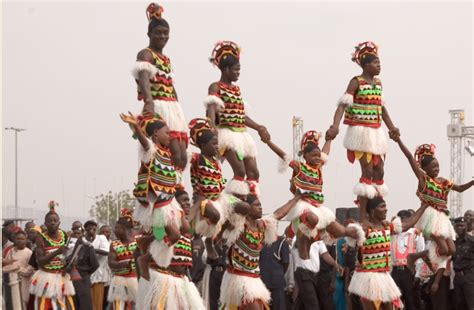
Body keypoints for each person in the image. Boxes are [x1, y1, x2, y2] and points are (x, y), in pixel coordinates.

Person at [265, 131, 363, 259]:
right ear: (305, 156)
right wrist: (268, 142)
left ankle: (360, 236)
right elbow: (284, 155)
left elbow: (325, 153)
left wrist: (329, 140)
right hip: (303, 206)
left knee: (340, 231)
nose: (317, 158)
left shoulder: (318, 168)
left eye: (318, 155)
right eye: (314, 155)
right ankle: (301, 243)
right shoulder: (300, 167)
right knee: (313, 219)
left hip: (318, 208)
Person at [326, 41, 400, 198]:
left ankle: (377, 206)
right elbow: (342, 105)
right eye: (375, 63)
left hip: (376, 131)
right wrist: (335, 126)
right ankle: (364, 211)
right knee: (367, 170)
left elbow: (382, 108)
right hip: (360, 131)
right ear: (366, 66)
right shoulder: (356, 82)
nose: (379, 66)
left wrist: (392, 127)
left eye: (379, 62)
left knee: (379, 170)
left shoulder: (379, 84)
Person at [391, 138, 474, 270]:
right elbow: (409, 157)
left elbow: (460, 189)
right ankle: (415, 257)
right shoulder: (423, 179)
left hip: (443, 218)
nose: (437, 169)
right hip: (430, 217)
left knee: (451, 250)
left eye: (438, 166)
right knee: (444, 249)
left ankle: (420, 255)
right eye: (433, 167)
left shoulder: (443, 182)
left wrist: (472, 182)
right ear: (424, 168)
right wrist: (399, 141)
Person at [204, 40, 271, 197]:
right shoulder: (215, 87)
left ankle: (251, 206)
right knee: (240, 171)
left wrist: (259, 127)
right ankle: (234, 207)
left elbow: (241, 116)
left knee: (253, 173)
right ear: (226, 69)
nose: (238, 73)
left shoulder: (236, 89)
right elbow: (211, 111)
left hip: (242, 135)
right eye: (236, 70)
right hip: (226, 134)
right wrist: (212, 129)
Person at [120, 111, 182, 268]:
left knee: (186, 227)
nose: (170, 136)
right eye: (166, 133)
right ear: (155, 133)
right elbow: (144, 141)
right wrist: (136, 127)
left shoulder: (166, 153)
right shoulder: (151, 150)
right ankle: (145, 258)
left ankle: (145, 240)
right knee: (174, 235)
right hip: (158, 204)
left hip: (169, 201)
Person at [132, 2, 188, 174]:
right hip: (157, 106)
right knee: (164, 149)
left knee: (182, 156)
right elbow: (143, 77)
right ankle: (159, 184)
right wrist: (148, 101)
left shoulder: (166, 59)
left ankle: (175, 187)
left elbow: (170, 85)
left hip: (173, 107)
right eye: (158, 33)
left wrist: (178, 108)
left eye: (165, 33)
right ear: (149, 34)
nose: (162, 36)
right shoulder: (146, 54)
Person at [218, 195, 300, 309]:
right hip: (238, 279)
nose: (260, 207)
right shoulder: (238, 225)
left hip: (254, 279)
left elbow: (279, 214)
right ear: (248, 209)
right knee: (254, 306)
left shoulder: (261, 225)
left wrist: (296, 198)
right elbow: (223, 222)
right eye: (256, 205)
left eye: (260, 205)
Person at [348, 197, 427, 310]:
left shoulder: (387, 227)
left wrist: (424, 206)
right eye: (382, 206)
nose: (386, 209)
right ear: (372, 211)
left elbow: (408, 224)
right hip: (368, 278)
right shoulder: (365, 229)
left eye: (385, 206)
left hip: (384, 276)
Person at [136, 199, 205, 309]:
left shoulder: (183, 224)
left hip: (181, 281)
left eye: (188, 199)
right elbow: (172, 235)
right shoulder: (163, 218)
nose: (187, 203)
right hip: (164, 280)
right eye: (183, 199)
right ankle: (144, 259)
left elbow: (187, 228)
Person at [188, 118, 249, 238]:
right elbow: (182, 155)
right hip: (203, 199)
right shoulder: (197, 159)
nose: (217, 146)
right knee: (215, 215)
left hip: (220, 197)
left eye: (217, 143)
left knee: (245, 208)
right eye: (214, 144)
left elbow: (216, 133)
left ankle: (219, 235)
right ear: (203, 145)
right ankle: (203, 236)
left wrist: (212, 123)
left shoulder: (215, 159)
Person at [29, 201, 75, 309]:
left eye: (55, 221)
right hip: (46, 277)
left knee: (64, 304)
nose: (52, 223)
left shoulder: (63, 234)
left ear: (59, 223)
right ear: (45, 223)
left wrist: (71, 262)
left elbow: (67, 254)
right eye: (49, 221)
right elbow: (40, 261)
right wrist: (57, 252)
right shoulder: (41, 238)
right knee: (47, 305)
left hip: (61, 276)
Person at [292, 239, 343, 310]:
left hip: (314, 275)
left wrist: (335, 265)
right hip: (303, 274)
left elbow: (325, 254)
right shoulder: (300, 237)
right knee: (312, 303)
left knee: (301, 303)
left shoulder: (320, 240)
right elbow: (300, 247)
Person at [390, 210, 425, 310]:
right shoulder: (393, 234)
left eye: (404, 220)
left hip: (409, 272)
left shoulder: (416, 234)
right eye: (400, 220)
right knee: (396, 302)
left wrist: (418, 275)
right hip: (395, 272)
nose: (402, 223)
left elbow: (420, 256)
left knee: (411, 302)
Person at [107, 209, 139, 310]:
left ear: (124, 229)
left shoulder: (138, 241)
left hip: (136, 281)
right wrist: (125, 264)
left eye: (117, 228)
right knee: (117, 306)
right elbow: (111, 263)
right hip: (118, 281)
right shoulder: (114, 244)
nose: (114, 230)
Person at [68, 223, 99, 310]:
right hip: (70, 279)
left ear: (82, 234)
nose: (77, 235)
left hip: (83, 278)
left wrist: (86, 273)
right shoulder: (68, 247)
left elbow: (95, 264)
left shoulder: (88, 246)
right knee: (72, 304)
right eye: (75, 234)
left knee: (84, 305)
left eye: (79, 233)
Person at [3, 230, 35, 309]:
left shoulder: (29, 253)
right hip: (12, 280)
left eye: (22, 239)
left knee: (23, 301)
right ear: (14, 240)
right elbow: (5, 267)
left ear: (26, 240)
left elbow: (30, 270)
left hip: (24, 282)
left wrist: (17, 269)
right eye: (18, 239)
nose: (20, 240)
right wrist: (12, 268)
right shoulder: (11, 251)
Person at [85, 220, 111, 310]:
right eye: (89, 228)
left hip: (99, 276)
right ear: (86, 230)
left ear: (96, 229)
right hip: (86, 276)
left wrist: (92, 249)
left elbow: (107, 252)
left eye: (93, 228)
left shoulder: (101, 238)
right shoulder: (83, 240)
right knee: (87, 303)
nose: (91, 230)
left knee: (98, 303)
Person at [259, 235, 290, 310]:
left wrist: (277, 274)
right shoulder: (259, 240)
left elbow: (286, 263)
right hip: (261, 283)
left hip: (277, 283)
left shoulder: (282, 242)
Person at [452, 216, 474, 310]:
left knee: (471, 304)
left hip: (469, 276)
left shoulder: (472, 241)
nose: (459, 228)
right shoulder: (453, 242)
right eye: (457, 226)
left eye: (462, 225)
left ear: (467, 226)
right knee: (459, 305)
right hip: (457, 277)